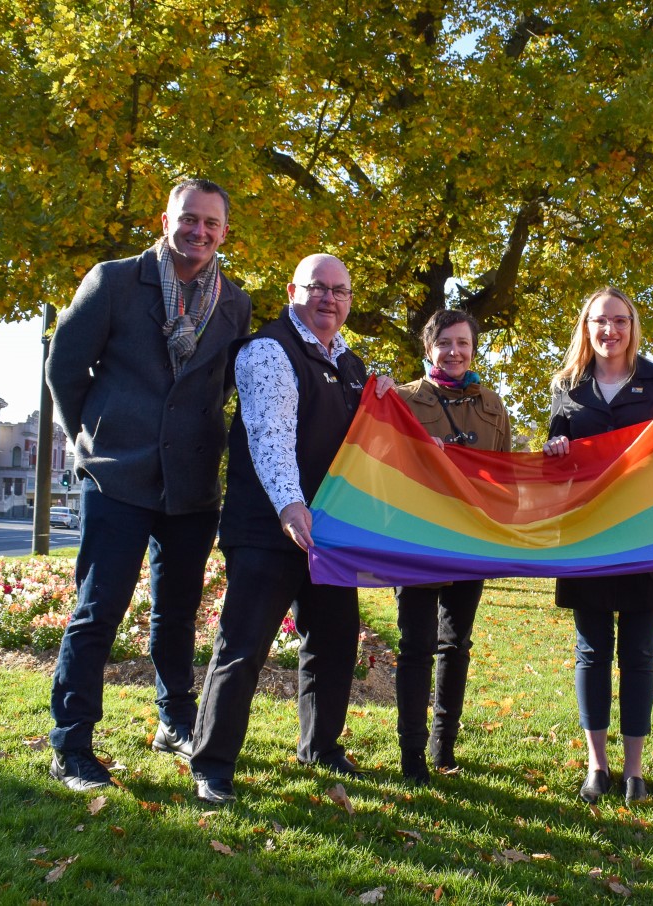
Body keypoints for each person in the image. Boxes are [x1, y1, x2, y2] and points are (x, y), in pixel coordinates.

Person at [44, 178, 252, 791]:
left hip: (189, 483)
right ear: (166, 218)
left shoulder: (235, 304)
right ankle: (72, 745)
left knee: (178, 613)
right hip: (117, 476)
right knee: (98, 610)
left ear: (223, 232)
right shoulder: (113, 281)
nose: (200, 231)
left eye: (211, 224)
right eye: (190, 219)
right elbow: (63, 366)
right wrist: (95, 435)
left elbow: (220, 388)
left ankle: (175, 722)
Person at [189, 253, 393, 804]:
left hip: (328, 536)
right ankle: (212, 763)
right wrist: (289, 506)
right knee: (243, 646)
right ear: (292, 289)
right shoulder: (267, 351)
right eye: (317, 288)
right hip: (268, 527)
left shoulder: (352, 365)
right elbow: (270, 435)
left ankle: (320, 747)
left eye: (340, 291)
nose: (329, 299)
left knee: (333, 642)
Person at [542, 286, 653, 806]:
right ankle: (596, 767)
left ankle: (635, 771)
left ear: (631, 325)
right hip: (588, 536)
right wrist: (555, 447)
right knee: (592, 652)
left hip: (646, 537)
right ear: (587, 326)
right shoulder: (567, 386)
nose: (610, 330)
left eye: (619, 321)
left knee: (639, 654)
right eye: (600, 321)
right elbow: (555, 452)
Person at [393, 310, 512, 785]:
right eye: (445, 343)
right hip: (417, 539)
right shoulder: (401, 400)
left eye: (463, 343)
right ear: (429, 349)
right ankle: (411, 752)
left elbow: (505, 473)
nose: (455, 352)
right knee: (415, 646)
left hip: (469, 540)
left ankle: (444, 747)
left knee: (455, 645)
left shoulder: (491, 404)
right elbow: (384, 465)